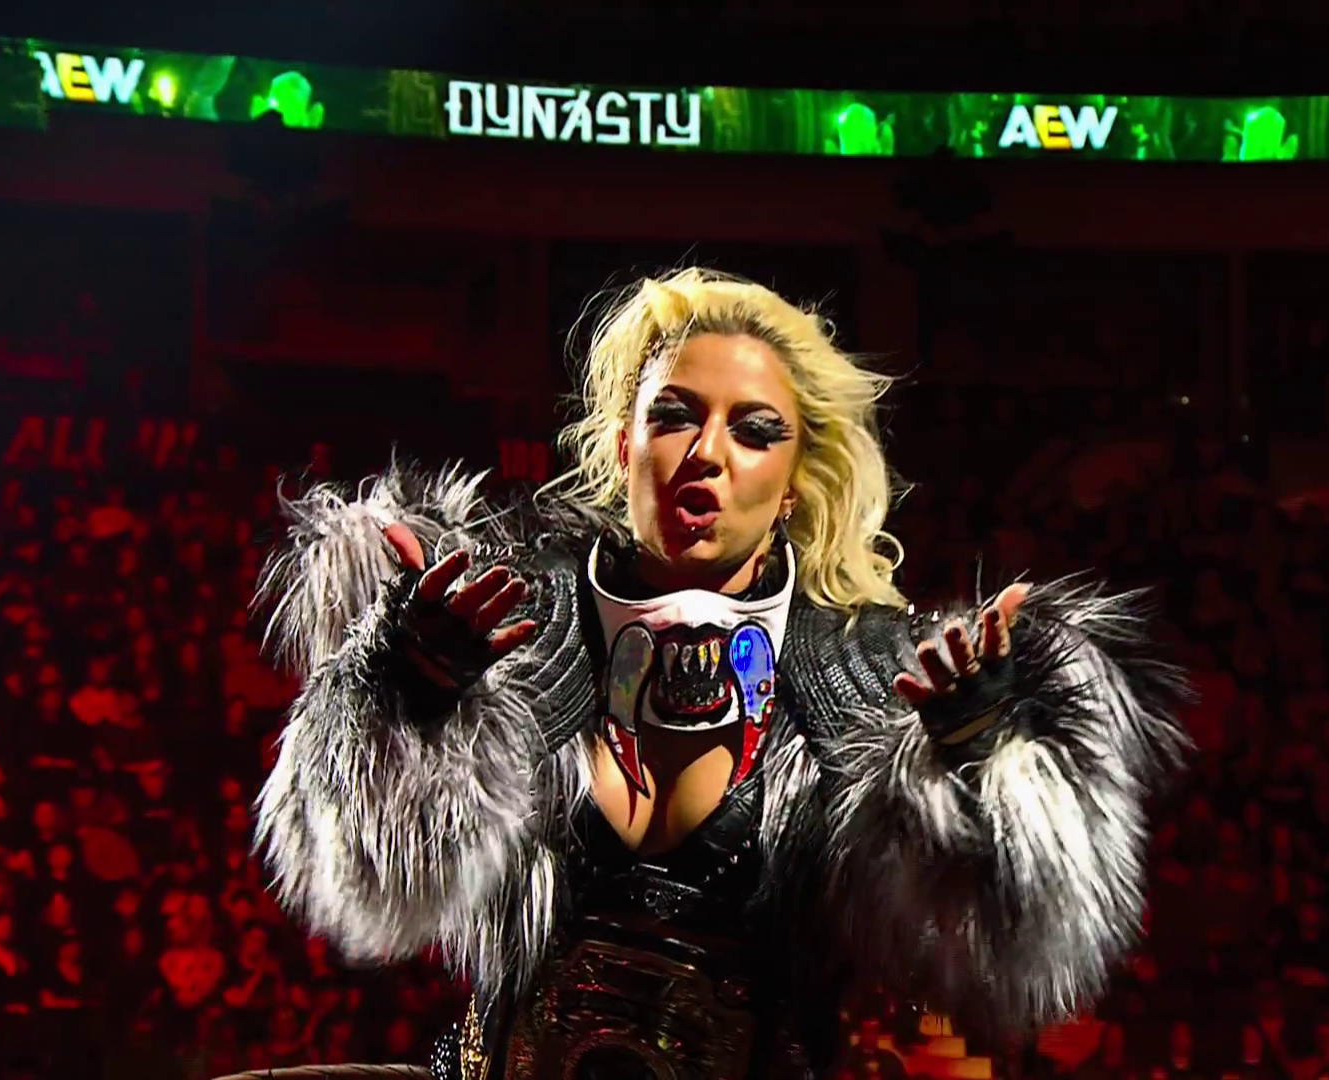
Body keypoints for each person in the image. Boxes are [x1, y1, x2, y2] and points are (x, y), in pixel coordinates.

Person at [245, 269, 1190, 1079]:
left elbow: (1018, 953)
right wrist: (404, 690)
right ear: (622, 443)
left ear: (796, 478)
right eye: (673, 416)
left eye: (754, 430)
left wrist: (983, 765)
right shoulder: (499, 620)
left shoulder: (877, 679)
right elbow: (368, 886)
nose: (706, 454)